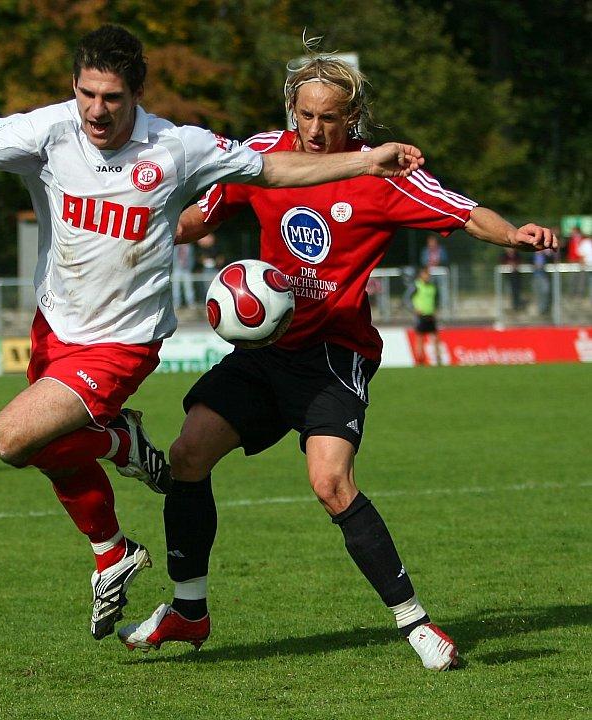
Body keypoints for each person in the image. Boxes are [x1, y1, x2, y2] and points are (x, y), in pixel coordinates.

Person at [0, 24, 426, 642]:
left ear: (136, 93)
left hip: (125, 339)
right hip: (54, 324)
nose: (96, 110)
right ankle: (112, 549)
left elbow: (274, 172)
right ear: (75, 86)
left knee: (10, 438)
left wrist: (369, 158)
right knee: (47, 448)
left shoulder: (177, 147)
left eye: (112, 98)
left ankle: (120, 445)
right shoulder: (51, 129)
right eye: (87, 93)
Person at [118, 48, 558, 670]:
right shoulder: (265, 155)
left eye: (330, 118)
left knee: (330, 483)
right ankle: (189, 612)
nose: (315, 131)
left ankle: (417, 625)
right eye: (306, 116)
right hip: (266, 352)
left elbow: (462, 211)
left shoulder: (382, 175)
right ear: (290, 110)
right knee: (188, 455)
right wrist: (132, 228)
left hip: (333, 354)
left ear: (352, 117)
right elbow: (199, 217)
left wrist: (512, 232)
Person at [411, 266, 441, 365]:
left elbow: (437, 300)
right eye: (425, 274)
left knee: (435, 338)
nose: (427, 277)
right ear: (421, 275)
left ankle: (438, 360)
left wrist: (436, 309)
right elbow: (406, 299)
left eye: (428, 275)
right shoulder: (416, 285)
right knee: (419, 338)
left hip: (430, 315)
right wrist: (414, 309)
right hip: (420, 316)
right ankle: (419, 360)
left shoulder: (433, 287)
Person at [172, 243, 196, 309]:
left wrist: (190, 267)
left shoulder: (190, 247)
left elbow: (192, 257)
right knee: (176, 287)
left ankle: (190, 303)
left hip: (187, 269)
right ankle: (176, 303)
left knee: (189, 287)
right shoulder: (175, 247)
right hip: (176, 269)